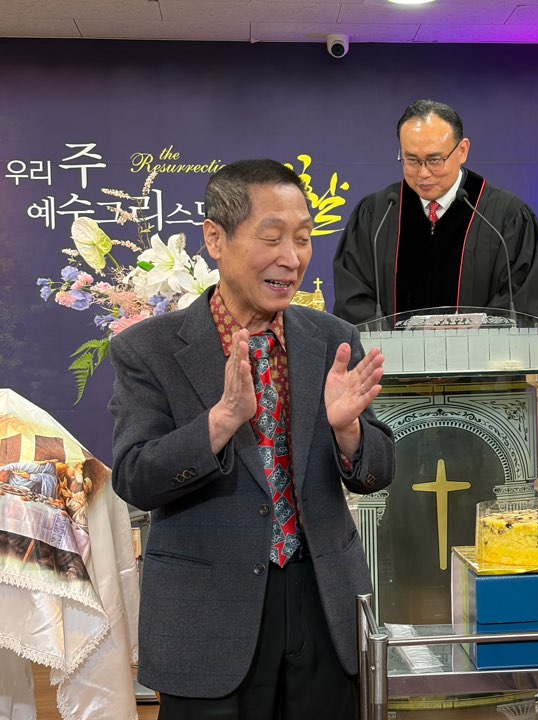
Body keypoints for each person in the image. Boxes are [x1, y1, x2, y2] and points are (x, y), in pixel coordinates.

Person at [110, 159, 395, 720]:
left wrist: (348, 429)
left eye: (302, 239)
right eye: (272, 238)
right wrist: (220, 422)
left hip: (323, 606)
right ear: (215, 238)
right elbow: (135, 477)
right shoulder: (149, 349)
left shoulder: (333, 340)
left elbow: (378, 470)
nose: (291, 258)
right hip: (209, 618)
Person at [332, 99, 538, 324]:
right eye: (411, 160)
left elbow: (519, 304)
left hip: (480, 349)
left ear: (462, 150)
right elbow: (354, 299)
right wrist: (392, 343)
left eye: (434, 160)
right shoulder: (376, 214)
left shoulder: (506, 217)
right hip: (391, 348)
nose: (423, 173)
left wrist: (472, 341)